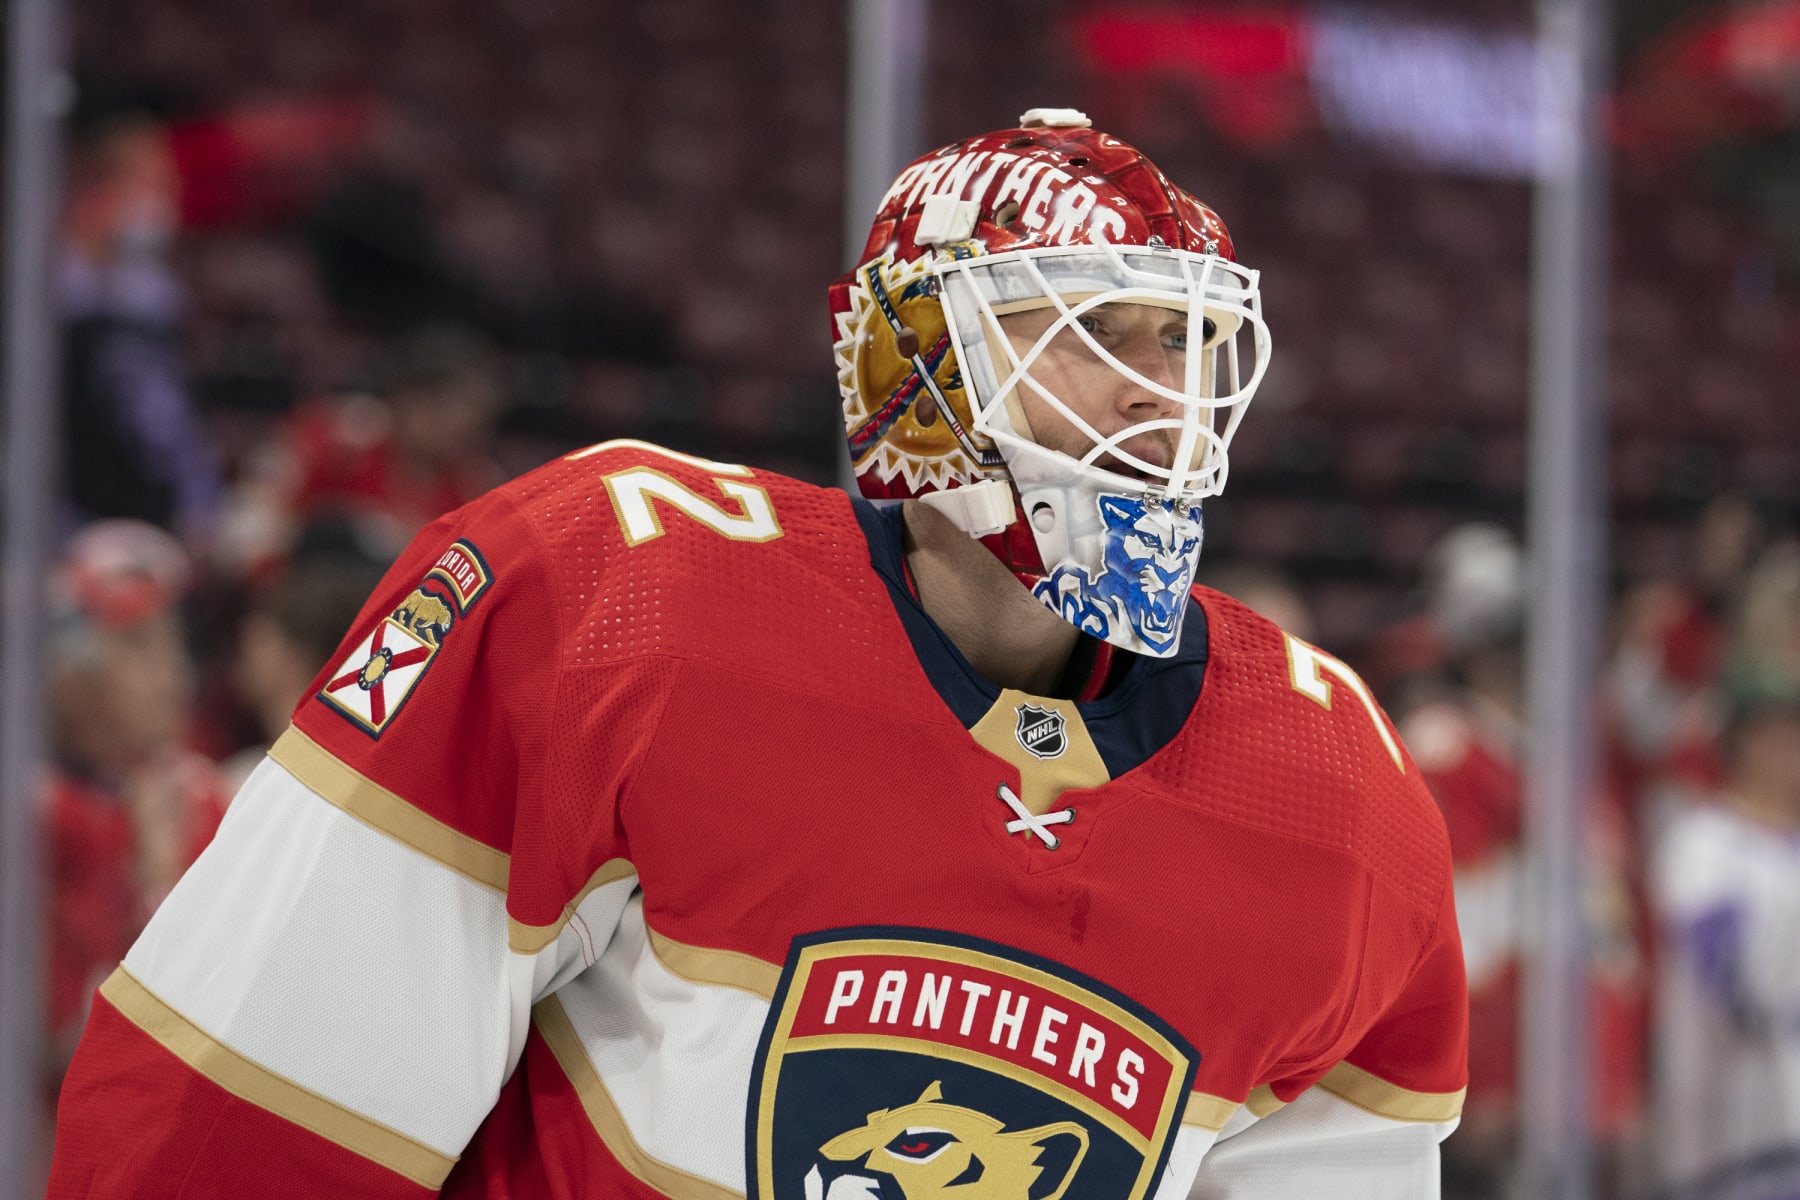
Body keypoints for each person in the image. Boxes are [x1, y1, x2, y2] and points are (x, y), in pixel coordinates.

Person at [48, 110, 1467, 1199]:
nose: (1166, 401)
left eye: (1192, 343)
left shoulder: (1338, 788)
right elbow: (245, 1117)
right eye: (1101, 334)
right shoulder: (612, 596)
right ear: (919, 362)